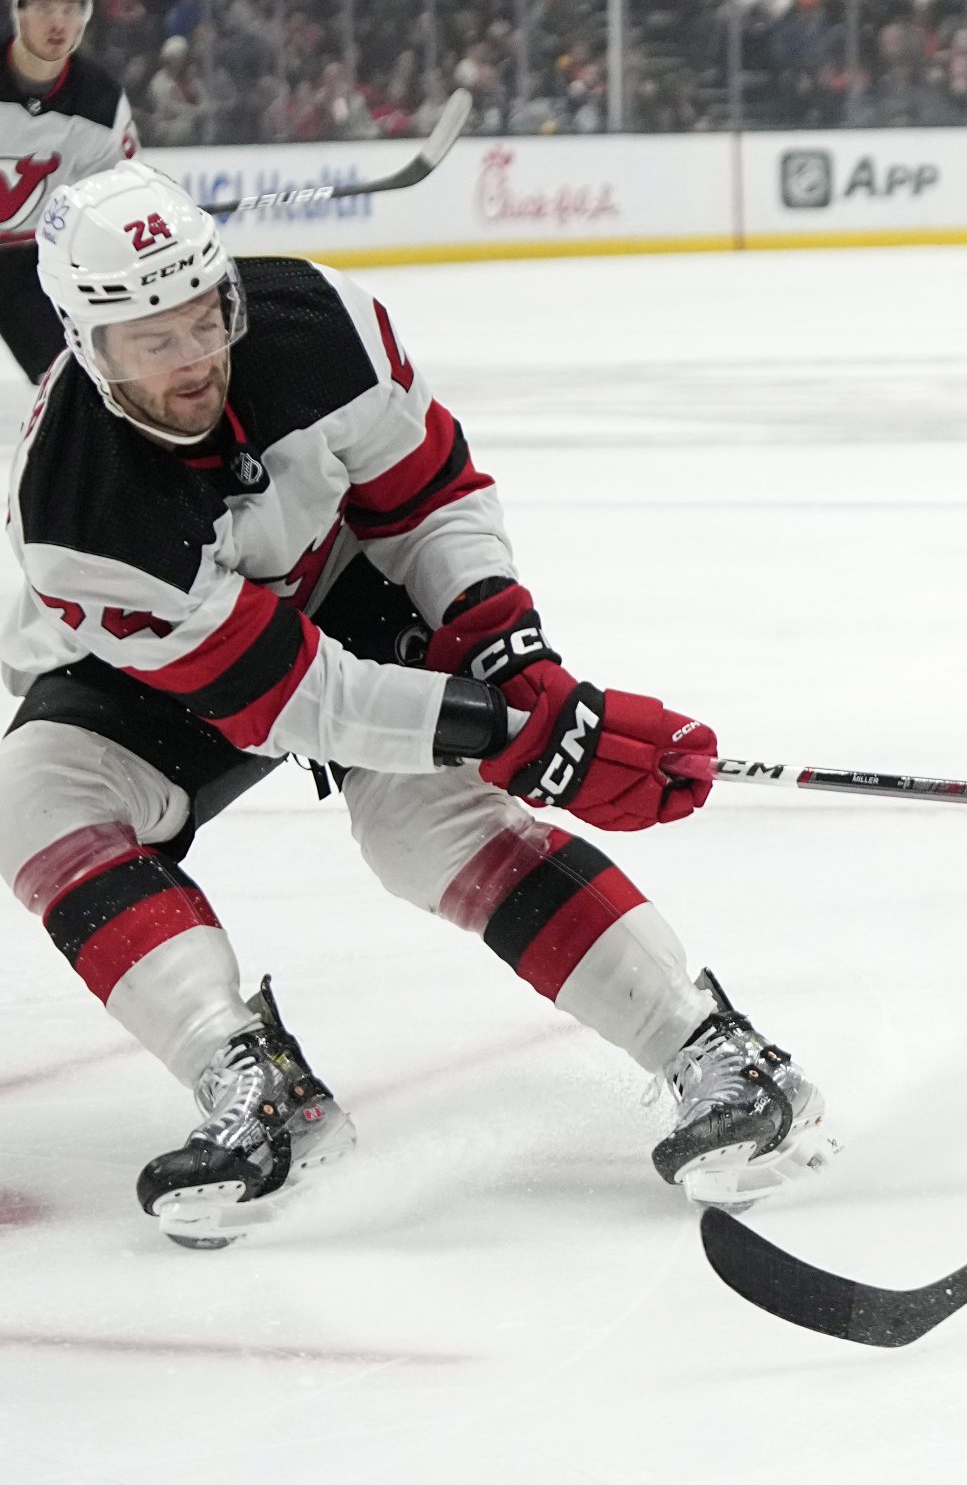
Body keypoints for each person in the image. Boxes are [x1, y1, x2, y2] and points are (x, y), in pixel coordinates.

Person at [0, 162, 833, 1247]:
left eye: (205, 316)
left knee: (425, 828)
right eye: (154, 340)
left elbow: (431, 498)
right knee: (37, 801)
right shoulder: (77, 510)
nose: (197, 357)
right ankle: (253, 1088)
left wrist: (516, 660)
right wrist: (506, 732)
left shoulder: (317, 321)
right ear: (86, 343)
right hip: (167, 661)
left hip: (340, 580)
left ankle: (714, 1053)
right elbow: (290, 696)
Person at [1, 0, 140, 383]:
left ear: (87, 14)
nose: (57, 22)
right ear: (17, 9)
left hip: (32, 267)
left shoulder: (101, 103)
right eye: (41, 5)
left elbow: (119, 196)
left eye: (71, 7)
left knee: (77, 388)